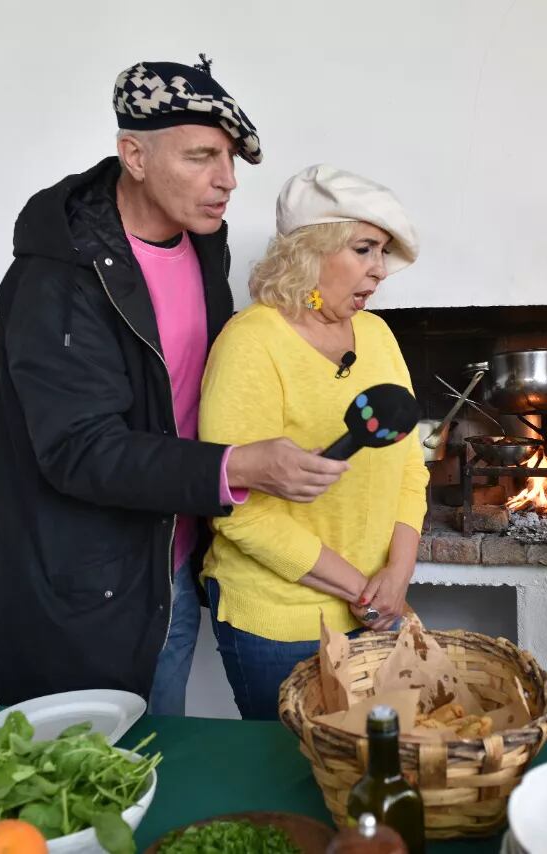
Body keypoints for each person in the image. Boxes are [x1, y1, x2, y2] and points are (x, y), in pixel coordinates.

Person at [0, 57, 349, 711]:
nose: (225, 181)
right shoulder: (56, 280)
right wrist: (241, 464)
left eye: (230, 159)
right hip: (79, 600)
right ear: (133, 154)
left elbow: (191, 393)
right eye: (201, 156)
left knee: (155, 773)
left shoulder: (202, 247)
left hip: (167, 569)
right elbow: (80, 448)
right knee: (85, 799)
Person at [198, 164, 429, 720]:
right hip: (279, 622)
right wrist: (364, 592)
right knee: (292, 777)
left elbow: (408, 470)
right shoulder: (251, 343)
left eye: (384, 254)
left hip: (377, 606)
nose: (380, 271)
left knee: (376, 768)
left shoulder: (376, 335)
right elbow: (238, 511)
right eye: (365, 250)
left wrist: (396, 576)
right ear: (311, 250)